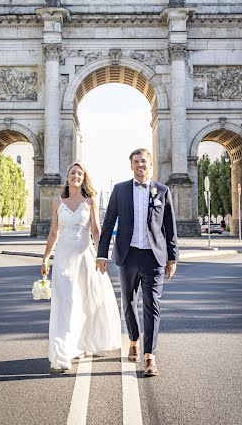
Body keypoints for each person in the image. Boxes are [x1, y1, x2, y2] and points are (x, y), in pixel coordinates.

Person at [96, 148, 179, 377]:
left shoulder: (162, 190)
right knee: (130, 303)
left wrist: (173, 257)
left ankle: (150, 356)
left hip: (154, 257)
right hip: (128, 255)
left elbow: (170, 228)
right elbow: (108, 223)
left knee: (152, 306)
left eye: (143, 161)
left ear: (150, 164)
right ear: (131, 165)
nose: (140, 165)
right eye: (136, 161)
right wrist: (102, 254)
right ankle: (133, 339)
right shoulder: (120, 190)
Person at [41, 162, 121, 371]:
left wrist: (101, 255)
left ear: (84, 178)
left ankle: (81, 343)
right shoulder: (57, 202)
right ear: (67, 177)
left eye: (79, 173)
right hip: (63, 260)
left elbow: (96, 230)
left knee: (85, 303)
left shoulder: (90, 202)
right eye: (72, 173)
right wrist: (45, 258)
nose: (76, 176)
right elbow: (53, 233)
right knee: (65, 303)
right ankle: (62, 353)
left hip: (85, 258)